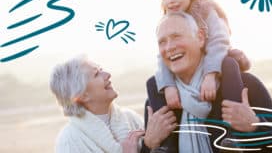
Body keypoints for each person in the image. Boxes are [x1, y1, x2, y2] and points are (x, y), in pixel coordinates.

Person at [145, 12, 272, 153]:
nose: (169, 47)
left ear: (200, 37)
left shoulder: (245, 86)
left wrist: (256, 126)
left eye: (176, 36)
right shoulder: (157, 103)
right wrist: (148, 144)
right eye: (162, 42)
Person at [154, 0, 250, 151]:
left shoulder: (205, 9)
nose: (170, 1)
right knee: (153, 82)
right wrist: (168, 86)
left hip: (217, 58)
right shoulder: (167, 20)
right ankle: (166, 144)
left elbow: (219, 41)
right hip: (188, 71)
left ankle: (233, 133)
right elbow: (162, 56)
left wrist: (210, 74)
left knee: (229, 64)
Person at [49, 55, 177, 153]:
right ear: (82, 95)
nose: (107, 75)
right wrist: (148, 145)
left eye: (101, 70)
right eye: (96, 74)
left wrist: (152, 143)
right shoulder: (69, 141)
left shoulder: (130, 118)